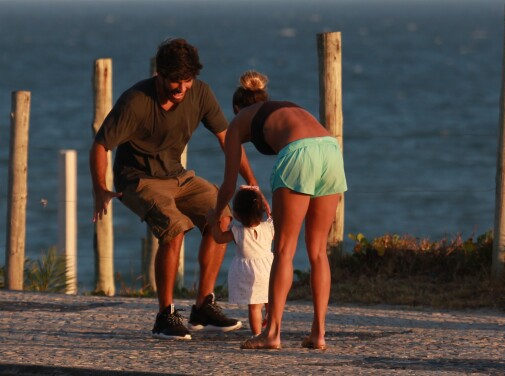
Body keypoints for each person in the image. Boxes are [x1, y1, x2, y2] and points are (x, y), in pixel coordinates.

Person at [90, 38, 259, 340]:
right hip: (137, 179)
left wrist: (252, 183)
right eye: (175, 82)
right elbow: (101, 145)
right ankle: (164, 316)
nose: (181, 89)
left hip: (177, 176)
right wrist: (100, 189)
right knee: (175, 228)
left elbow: (228, 140)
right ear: (160, 75)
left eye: (187, 81)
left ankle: (203, 307)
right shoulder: (136, 101)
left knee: (221, 216)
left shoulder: (201, 94)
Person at [207, 70, 347, 350]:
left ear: (237, 108)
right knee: (318, 251)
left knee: (284, 250)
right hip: (331, 149)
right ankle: (318, 335)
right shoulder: (284, 107)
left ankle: (272, 333)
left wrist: (214, 216)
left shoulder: (236, 123)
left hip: (299, 153)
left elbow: (229, 183)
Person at [210, 186, 274, 336]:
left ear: (237, 215)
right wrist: (259, 193)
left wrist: (214, 223)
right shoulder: (269, 227)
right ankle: (271, 326)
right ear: (261, 210)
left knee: (254, 308)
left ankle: (257, 335)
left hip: (249, 274)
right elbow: (273, 217)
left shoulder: (237, 231)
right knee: (270, 300)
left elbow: (219, 238)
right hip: (268, 269)